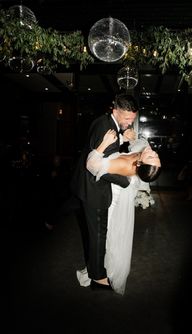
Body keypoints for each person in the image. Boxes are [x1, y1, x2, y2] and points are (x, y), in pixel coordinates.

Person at [76, 129, 161, 294]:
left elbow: (92, 164)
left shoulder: (125, 166)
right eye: (157, 158)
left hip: (110, 202)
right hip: (110, 193)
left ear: (140, 164)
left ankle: (101, 274)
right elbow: (141, 144)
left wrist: (104, 144)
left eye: (152, 157)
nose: (154, 154)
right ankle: (99, 272)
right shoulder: (141, 155)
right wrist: (128, 137)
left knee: (107, 239)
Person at [71, 94, 139, 290]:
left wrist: (122, 138)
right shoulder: (106, 127)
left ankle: (95, 268)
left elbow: (109, 154)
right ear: (114, 110)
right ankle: (98, 277)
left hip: (89, 186)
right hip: (95, 189)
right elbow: (100, 166)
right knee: (99, 233)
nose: (129, 122)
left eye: (132, 119)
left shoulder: (105, 122)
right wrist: (129, 181)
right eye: (126, 118)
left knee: (98, 232)